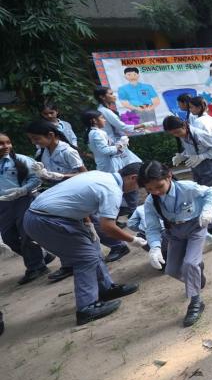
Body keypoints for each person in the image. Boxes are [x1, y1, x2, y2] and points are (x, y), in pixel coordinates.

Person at [23, 164, 144, 325]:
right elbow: (108, 226)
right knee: (85, 258)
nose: (137, 189)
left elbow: (80, 202)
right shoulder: (112, 190)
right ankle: (87, 308)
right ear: (133, 178)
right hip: (47, 220)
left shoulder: (100, 175)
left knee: (93, 249)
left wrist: (88, 225)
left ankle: (105, 289)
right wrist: (132, 240)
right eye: (140, 185)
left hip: (50, 216)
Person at [138, 161, 212, 327]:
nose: (155, 192)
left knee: (189, 263)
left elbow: (209, 192)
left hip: (195, 228)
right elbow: (152, 228)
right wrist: (155, 248)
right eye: (149, 189)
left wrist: (208, 209)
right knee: (172, 270)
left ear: (169, 176)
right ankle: (196, 272)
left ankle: (196, 302)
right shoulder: (151, 202)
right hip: (174, 233)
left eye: (159, 186)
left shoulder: (186, 187)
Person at [27, 120, 88, 283]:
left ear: (50, 135)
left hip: (75, 193)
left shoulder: (67, 151)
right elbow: (45, 174)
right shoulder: (42, 153)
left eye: (36, 138)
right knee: (63, 230)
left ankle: (117, 246)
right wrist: (43, 176)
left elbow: (85, 174)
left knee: (90, 226)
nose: (34, 143)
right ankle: (68, 264)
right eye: (32, 139)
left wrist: (60, 176)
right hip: (59, 195)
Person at [0, 132, 54, 284]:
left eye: (8, 142)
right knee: (8, 238)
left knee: (26, 235)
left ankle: (36, 267)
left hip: (24, 200)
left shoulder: (21, 160)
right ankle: (42, 256)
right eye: (1, 143)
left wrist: (22, 190)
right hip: (3, 204)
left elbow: (36, 178)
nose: (6, 146)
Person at [163, 116, 212, 235]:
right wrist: (182, 155)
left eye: (177, 132)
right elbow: (191, 149)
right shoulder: (184, 135)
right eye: (173, 134)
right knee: (200, 194)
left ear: (184, 126)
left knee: (209, 195)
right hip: (197, 166)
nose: (176, 135)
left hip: (209, 165)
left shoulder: (199, 134)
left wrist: (202, 157)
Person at [83, 109, 142, 219]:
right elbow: (105, 151)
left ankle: (126, 215)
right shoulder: (96, 133)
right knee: (123, 191)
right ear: (94, 121)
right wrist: (120, 144)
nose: (104, 120)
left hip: (110, 166)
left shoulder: (95, 132)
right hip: (109, 168)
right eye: (102, 118)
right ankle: (128, 216)